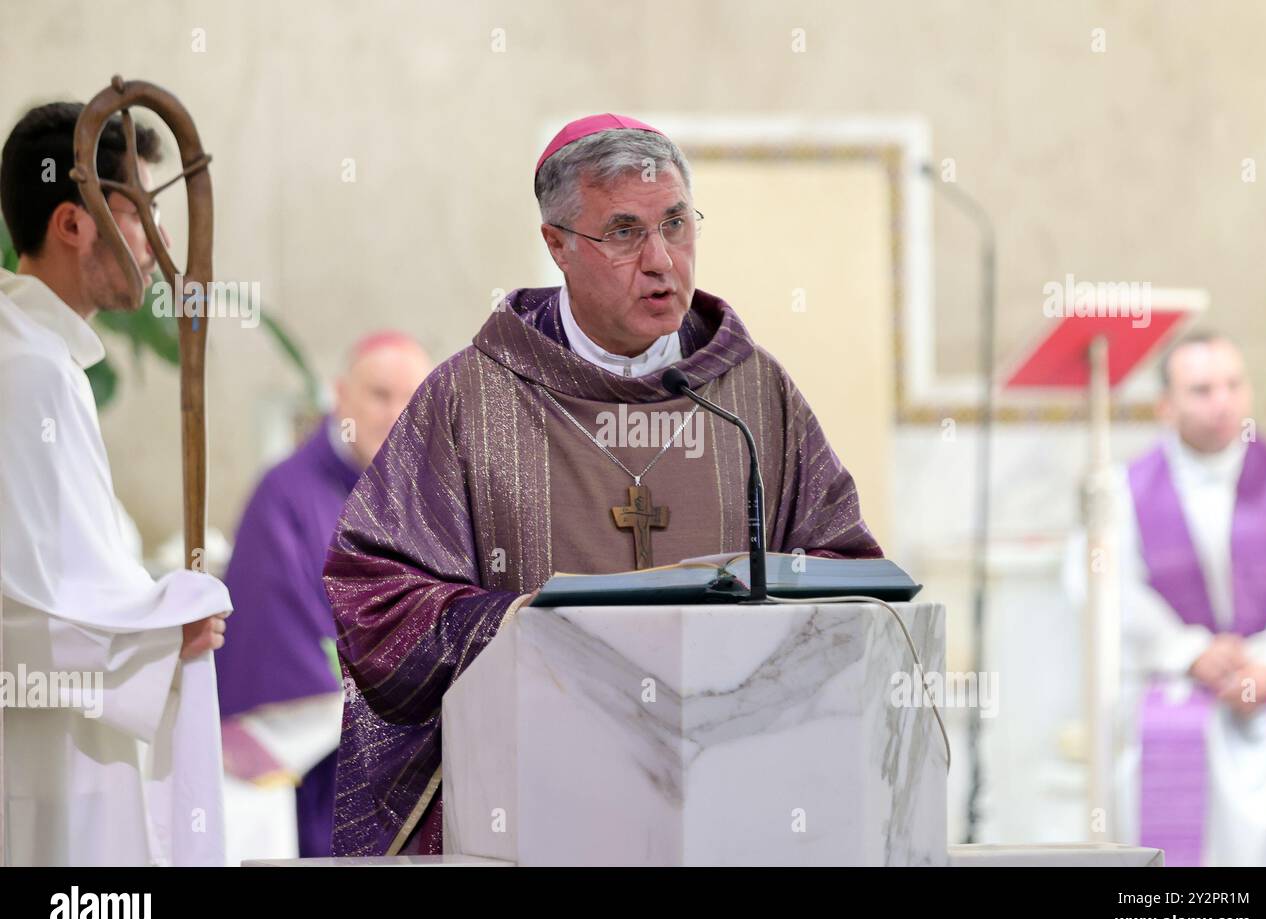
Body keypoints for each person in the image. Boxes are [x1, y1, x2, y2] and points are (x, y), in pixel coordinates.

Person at [323, 113, 884, 856]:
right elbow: (374, 592)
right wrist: (523, 626)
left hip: (728, 807)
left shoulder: (751, 397)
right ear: (557, 245)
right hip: (532, 810)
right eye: (623, 233)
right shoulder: (472, 398)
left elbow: (847, 574)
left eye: (677, 225)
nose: (661, 261)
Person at [0, 102, 230, 865]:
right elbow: (19, 617)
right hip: (45, 767)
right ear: (74, 223)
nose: (163, 241)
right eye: (142, 213)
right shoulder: (25, 371)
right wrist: (161, 640)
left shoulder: (39, 355)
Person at [214, 331, 431, 862]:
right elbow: (275, 635)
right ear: (340, 397)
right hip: (326, 773)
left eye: (413, 399)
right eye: (380, 396)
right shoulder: (284, 495)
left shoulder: (435, 492)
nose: (397, 415)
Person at [1113, 331, 1266, 865]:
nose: (1223, 402)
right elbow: (1110, 589)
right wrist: (1188, 652)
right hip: (1174, 684)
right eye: (1202, 389)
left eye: (1233, 385)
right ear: (1166, 406)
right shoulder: (1126, 491)